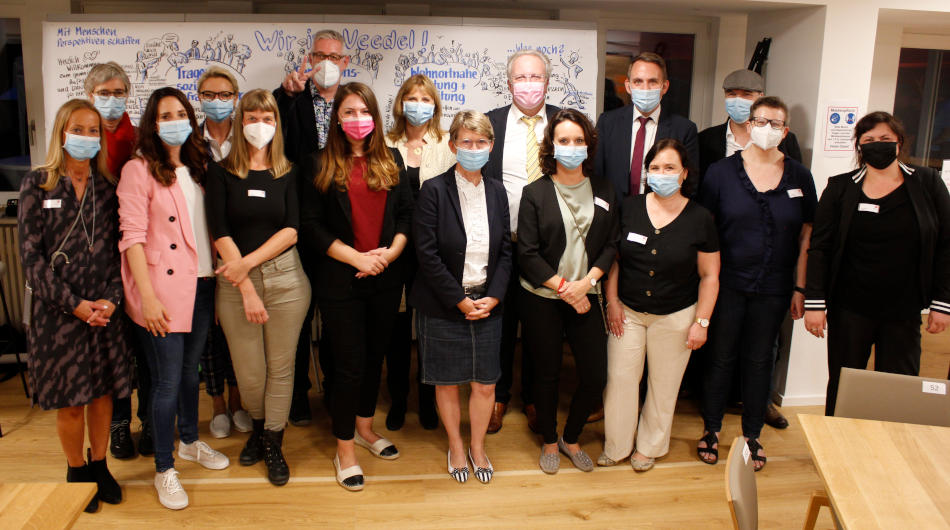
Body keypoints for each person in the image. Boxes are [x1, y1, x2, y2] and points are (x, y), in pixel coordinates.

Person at [117, 87, 229, 510]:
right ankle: (164, 468)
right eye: (165, 115)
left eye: (181, 113)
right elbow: (132, 237)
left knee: (188, 374)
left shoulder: (200, 166)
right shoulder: (138, 169)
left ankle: (189, 442)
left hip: (201, 283)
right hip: (160, 290)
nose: (174, 121)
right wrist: (146, 298)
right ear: (152, 122)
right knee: (165, 382)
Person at [19, 99, 131, 513]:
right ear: (61, 132)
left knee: (103, 396)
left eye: (92, 130)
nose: (85, 137)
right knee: (71, 401)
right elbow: (31, 261)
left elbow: (121, 251)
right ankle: (75, 470)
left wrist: (111, 300)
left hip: (104, 313)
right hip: (59, 315)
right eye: (77, 128)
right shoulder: (39, 185)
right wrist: (75, 305)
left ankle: (100, 465)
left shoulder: (108, 188)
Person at [299, 82, 412, 491]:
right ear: (336, 119)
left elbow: (405, 218)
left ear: (375, 118)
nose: (357, 119)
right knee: (347, 366)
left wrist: (388, 255)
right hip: (340, 280)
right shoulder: (318, 164)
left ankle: (365, 429)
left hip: (385, 277)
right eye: (348, 112)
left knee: (373, 359)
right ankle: (344, 448)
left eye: (364, 111)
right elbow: (310, 226)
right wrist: (356, 258)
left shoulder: (392, 159)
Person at [696, 96, 816, 472]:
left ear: (786, 131)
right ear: (748, 125)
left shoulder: (800, 176)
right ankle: (711, 429)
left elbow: (806, 238)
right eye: (761, 121)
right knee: (721, 356)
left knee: (761, 359)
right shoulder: (719, 172)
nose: (767, 129)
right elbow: (706, 231)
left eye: (776, 124)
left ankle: (752, 435)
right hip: (728, 283)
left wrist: (800, 288)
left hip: (775, 286)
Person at [804, 111, 950, 415]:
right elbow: (820, 248)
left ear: (899, 142)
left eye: (885, 139)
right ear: (859, 146)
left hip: (904, 309)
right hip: (849, 307)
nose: (877, 145)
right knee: (844, 385)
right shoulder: (841, 187)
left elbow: (946, 246)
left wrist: (942, 303)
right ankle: (837, 448)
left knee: (898, 389)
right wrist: (814, 303)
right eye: (869, 140)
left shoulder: (927, 183)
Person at [207, 88, 311, 486]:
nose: (259, 125)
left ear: (277, 124)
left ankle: (272, 441)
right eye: (251, 118)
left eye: (267, 118)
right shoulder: (221, 172)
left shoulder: (289, 171)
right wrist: (246, 285)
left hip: (286, 279)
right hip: (236, 287)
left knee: (281, 369)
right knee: (250, 374)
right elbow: (220, 229)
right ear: (240, 121)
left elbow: (292, 230)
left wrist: (248, 263)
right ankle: (258, 427)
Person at [600, 139, 719, 472]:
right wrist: (611, 301)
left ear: (684, 174)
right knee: (620, 379)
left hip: (676, 315)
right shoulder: (629, 207)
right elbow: (614, 260)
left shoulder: (701, 218)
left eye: (670, 168)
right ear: (646, 172)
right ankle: (617, 445)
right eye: (655, 168)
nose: (662, 174)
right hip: (628, 312)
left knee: (664, 385)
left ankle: (649, 446)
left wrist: (702, 322)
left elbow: (710, 276)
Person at [411, 110, 512, 484]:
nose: (473, 148)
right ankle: (456, 444)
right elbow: (427, 254)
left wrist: (495, 297)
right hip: (443, 304)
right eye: (466, 142)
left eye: (480, 142)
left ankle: (478, 445)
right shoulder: (434, 190)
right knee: (447, 382)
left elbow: (505, 253)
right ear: (453, 146)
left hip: (487, 303)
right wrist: (458, 299)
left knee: (486, 383)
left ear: (491, 147)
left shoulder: (499, 191)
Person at [517, 108, 619, 474]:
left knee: (595, 375)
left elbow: (611, 244)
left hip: (586, 296)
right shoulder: (535, 193)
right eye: (564, 140)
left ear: (589, 146)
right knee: (545, 374)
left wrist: (586, 284)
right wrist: (565, 288)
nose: (572, 147)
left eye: (579, 140)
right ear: (552, 146)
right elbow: (526, 253)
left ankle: (570, 437)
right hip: (542, 298)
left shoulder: (605, 189)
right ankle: (548, 439)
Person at [274, 28, 351, 426]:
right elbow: (271, 133)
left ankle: (338, 389)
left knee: (338, 314)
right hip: (300, 222)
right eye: (319, 56)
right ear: (308, 59)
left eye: (334, 56)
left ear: (345, 61)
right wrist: (286, 94)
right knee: (299, 316)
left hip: (342, 227)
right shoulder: (292, 99)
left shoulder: (354, 104)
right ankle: (299, 395)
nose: (326, 63)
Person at [483, 48, 561, 434]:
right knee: (498, 323)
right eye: (521, 78)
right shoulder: (491, 124)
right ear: (509, 83)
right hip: (502, 244)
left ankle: (533, 398)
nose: (528, 85)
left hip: (546, 249)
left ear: (547, 82)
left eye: (536, 77)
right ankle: (498, 397)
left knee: (537, 328)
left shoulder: (565, 123)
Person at [383, 73, 456, 431]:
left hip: (433, 253)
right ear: (401, 103)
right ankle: (398, 400)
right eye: (412, 98)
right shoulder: (384, 143)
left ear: (436, 106)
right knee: (396, 331)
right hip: (394, 251)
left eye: (426, 99)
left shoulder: (446, 144)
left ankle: (428, 402)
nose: (418, 105)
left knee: (430, 330)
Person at [84, 62, 146, 460]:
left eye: (118, 92)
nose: (111, 100)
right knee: (113, 346)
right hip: (94, 257)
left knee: (138, 343)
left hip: (135, 249)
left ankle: (147, 422)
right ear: (89, 93)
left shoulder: (137, 138)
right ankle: (119, 425)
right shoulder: (79, 134)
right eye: (103, 92)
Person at [195, 66, 252, 439]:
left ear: (236, 98)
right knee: (209, 330)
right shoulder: (189, 142)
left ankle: (238, 401)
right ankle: (216, 405)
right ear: (199, 97)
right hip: (199, 244)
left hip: (242, 244)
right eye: (209, 95)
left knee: (238, 327)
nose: (218, 102)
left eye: (225, 95)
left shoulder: (248, 140)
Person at [595, 52, 699, 201]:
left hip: (661, 216)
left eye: (653, 82)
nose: (645, 88)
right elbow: (597, 175)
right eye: (638, 81)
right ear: (628, 86)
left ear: (664, 86)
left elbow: (691, 185)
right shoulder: (607, 122)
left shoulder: (684, 130)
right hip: (614, 216)